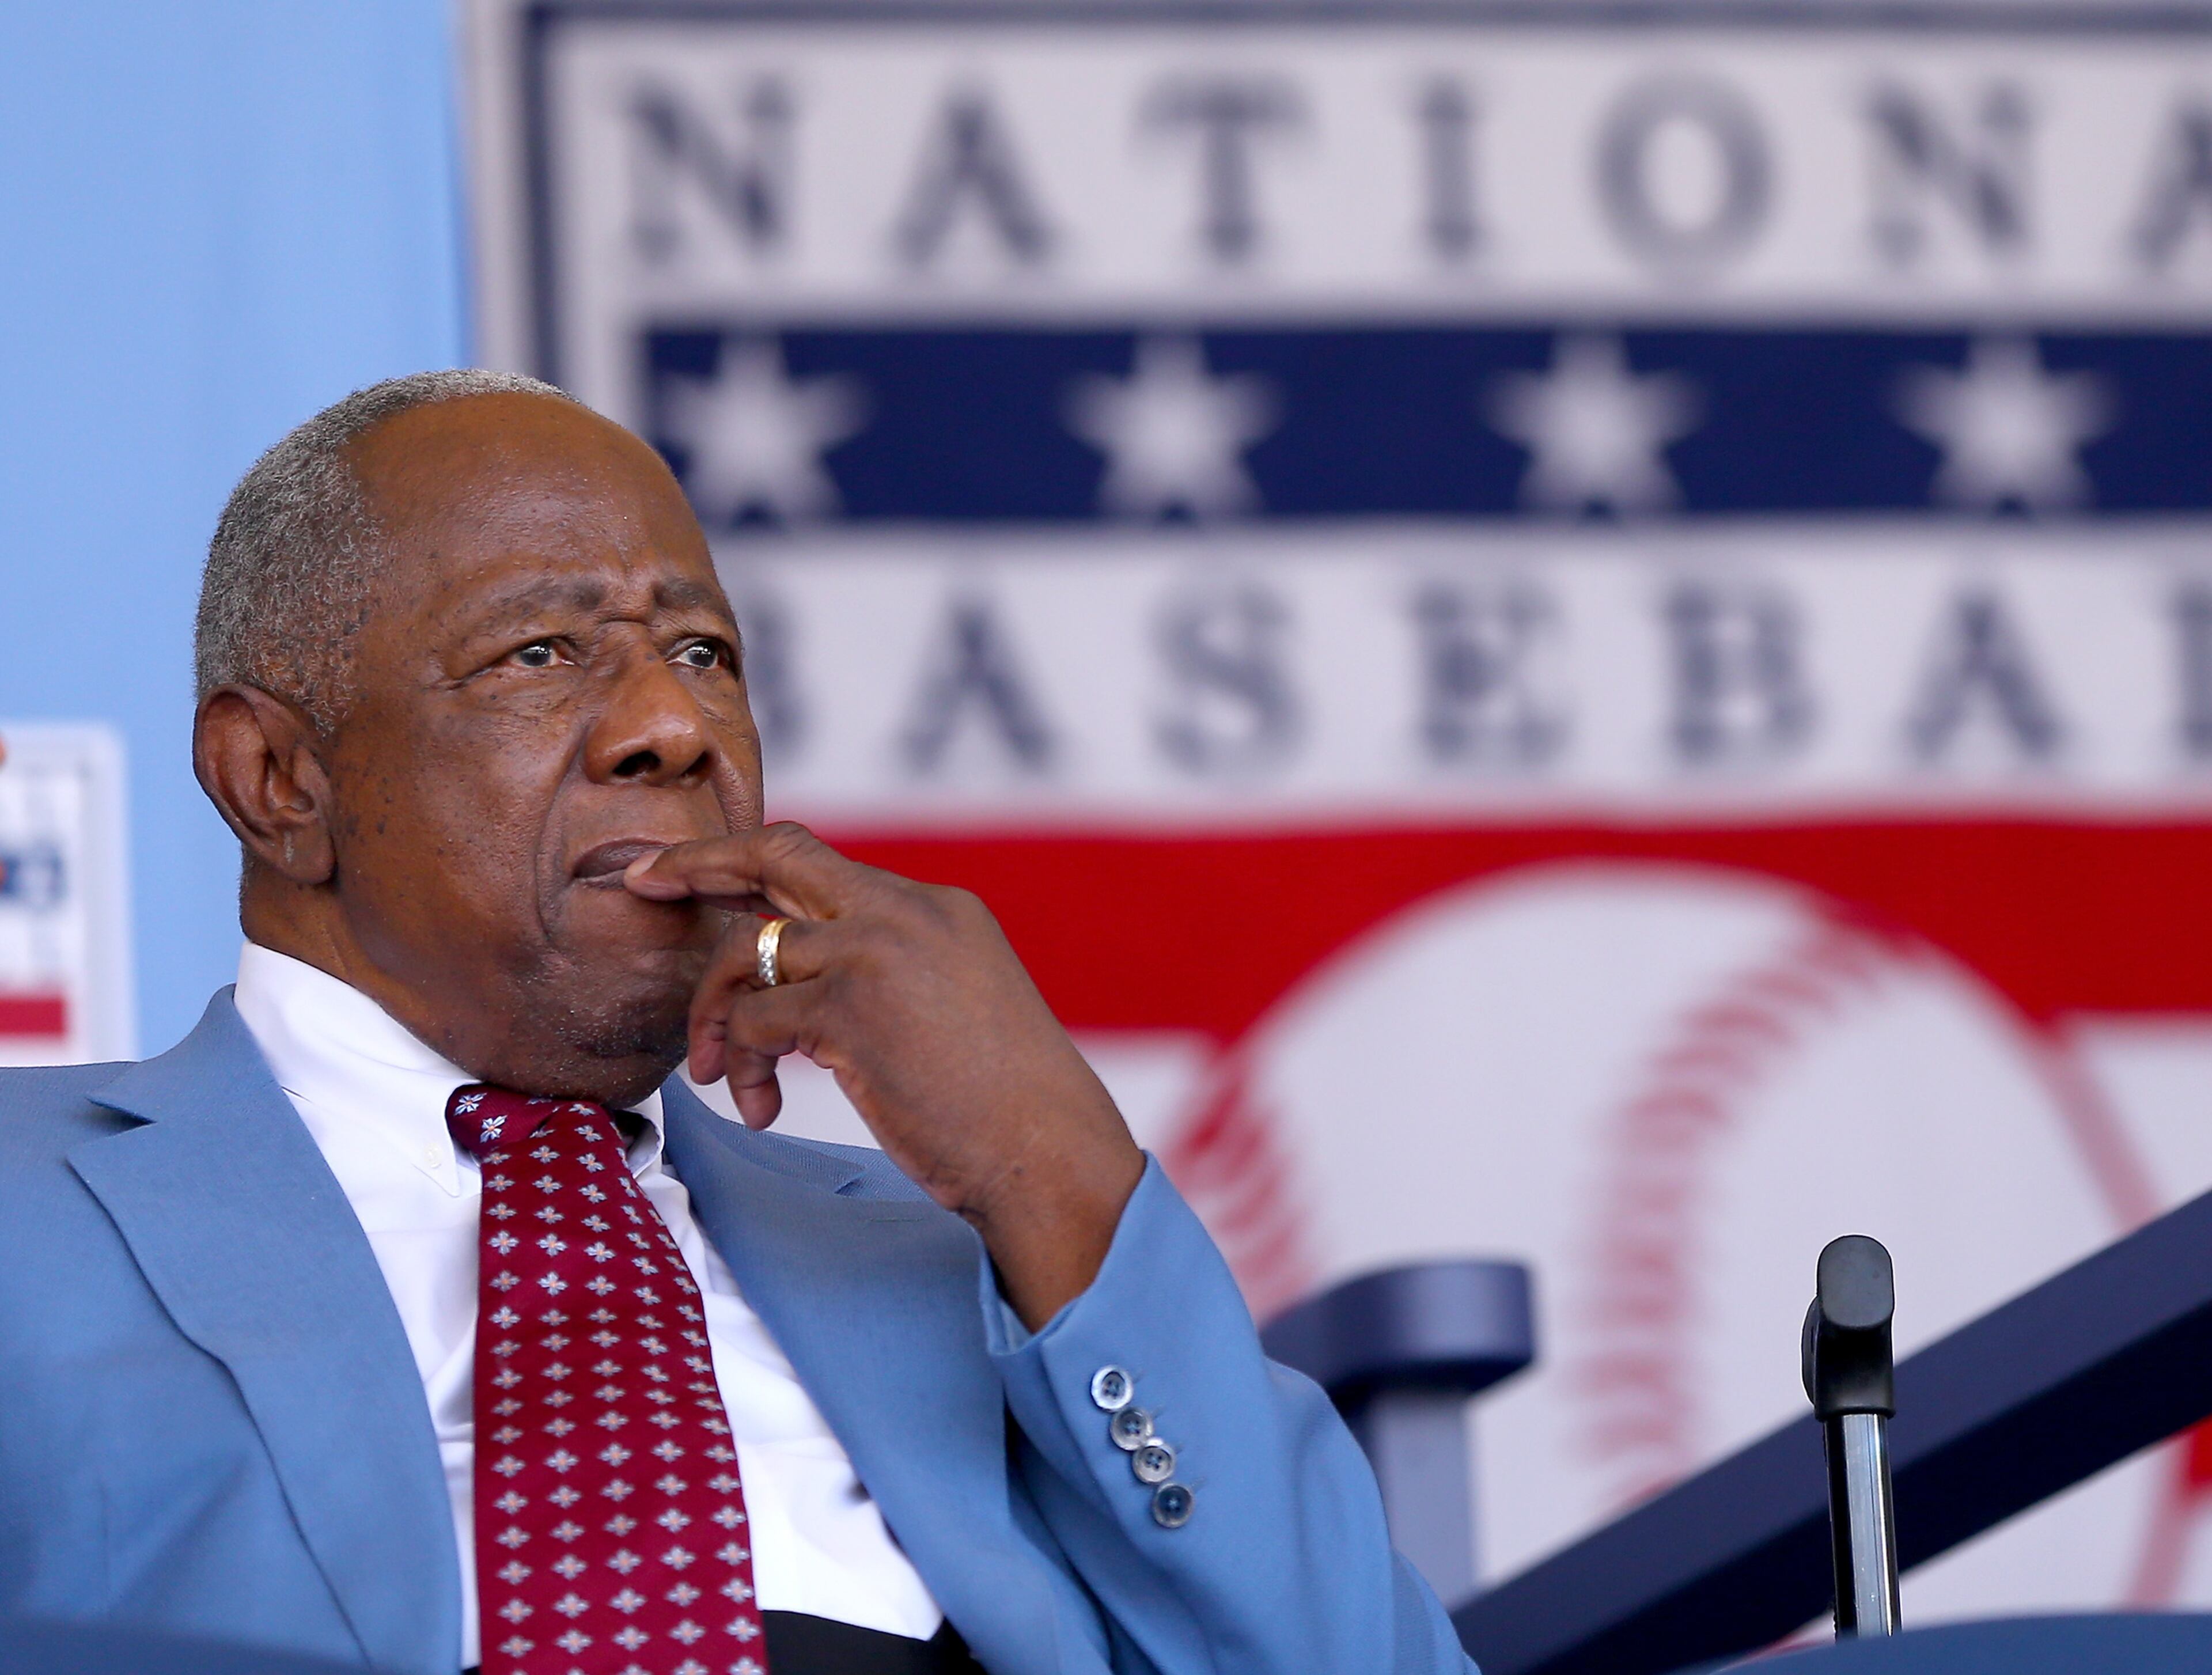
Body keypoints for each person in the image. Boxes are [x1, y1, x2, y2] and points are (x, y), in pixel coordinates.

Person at [0, 372, 1474, 1675]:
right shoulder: (36, 1201)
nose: (674, 725)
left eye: (702, 650)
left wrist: (1055, 1161)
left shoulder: (956, 1260)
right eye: (541, 653)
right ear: (278, 779)